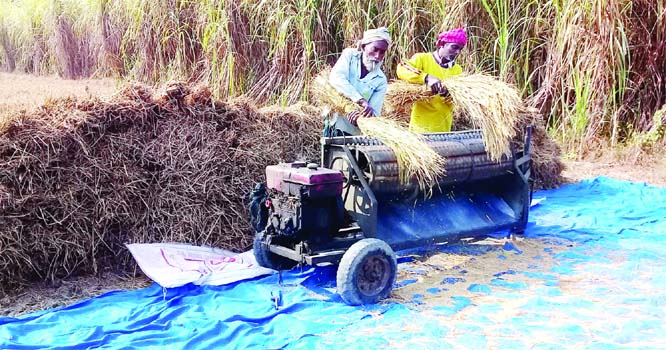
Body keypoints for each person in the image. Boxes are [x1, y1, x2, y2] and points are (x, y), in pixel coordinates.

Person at [396, 28, 467, 133]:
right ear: (442, 44)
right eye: (454, 47)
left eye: (460, 49)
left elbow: (457, 101)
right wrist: (426, 77)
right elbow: (402, 68)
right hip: (419, 129)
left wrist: (448, 95)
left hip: (443, 129)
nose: (457, 52)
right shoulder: (422, 59)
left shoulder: (457, 70)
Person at [327, 27, 391, 134]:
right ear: (363, 47)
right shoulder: (350, 56)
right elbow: (336, 78)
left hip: (354, 132)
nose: (377, 56)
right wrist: (361, 100)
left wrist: (362, 117)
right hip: (335, 123)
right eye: (375, 49)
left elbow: (375, 113)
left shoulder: (380, 80)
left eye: (382, 52)